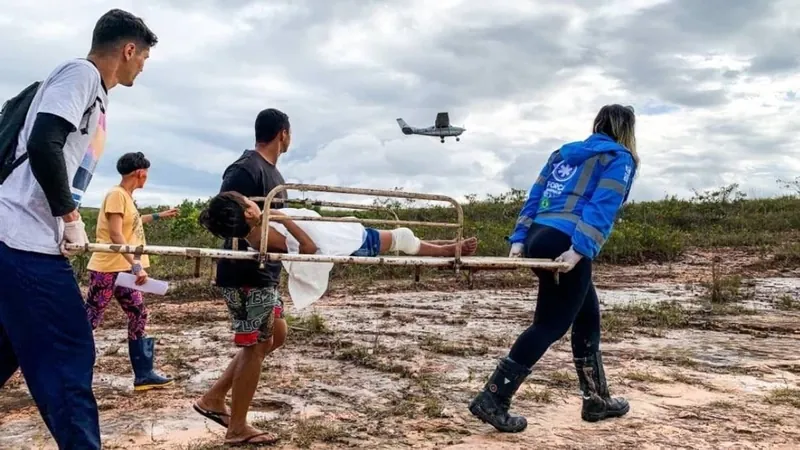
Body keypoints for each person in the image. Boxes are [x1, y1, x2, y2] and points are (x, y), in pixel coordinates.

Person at [0, 9, 157, 449]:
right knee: (68, 354)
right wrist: (70, 219)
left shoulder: (94, 93)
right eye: (143, 57)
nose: (142, 66)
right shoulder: (81, 74)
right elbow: (44, 141)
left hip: (15, 240)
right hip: (24, 239)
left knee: (9, 347)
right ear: (128, 50)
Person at [468, 104, 639, 433]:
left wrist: (520, 240)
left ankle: (596, 399)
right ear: (626, 130)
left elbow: (535, 197)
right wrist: (579, 250)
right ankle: (494, 397)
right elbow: (603, 205)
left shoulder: (562, 154)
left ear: (597, 124)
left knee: (587, 313)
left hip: (538, 237)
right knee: (550, 324)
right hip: (566, 241)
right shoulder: (619, 158)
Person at [192, 108, 295, 446]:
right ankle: (237, 427)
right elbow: (222, 215)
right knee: (257, 344)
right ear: (283, 133)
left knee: (274, 337)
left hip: (267, 271)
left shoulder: (274, 175)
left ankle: (214, 398)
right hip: (245, 272)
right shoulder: (244, 169)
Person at [85, 152, 178, 391]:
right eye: (146, 172)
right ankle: (66, 367)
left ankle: (144, 374)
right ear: (139, 172)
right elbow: (116, 234)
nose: (147, 176)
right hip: (108, 268)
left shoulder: (126, 197)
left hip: (124, 270)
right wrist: (136, 264)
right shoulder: (116, 195)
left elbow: (133, 221)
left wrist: (160, 215)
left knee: (138, 313)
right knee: (90, 318)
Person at [197, 191, 479, 259]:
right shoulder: (262, 236)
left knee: (401, 236)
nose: (254, 201)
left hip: (341, 233)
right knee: (402, 237)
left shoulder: (258, 229)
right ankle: (445, 250)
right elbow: (307, 248)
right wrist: (286, 219)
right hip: (345, 245)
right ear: (247, 212)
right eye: (249, 200)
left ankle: (442, 245)